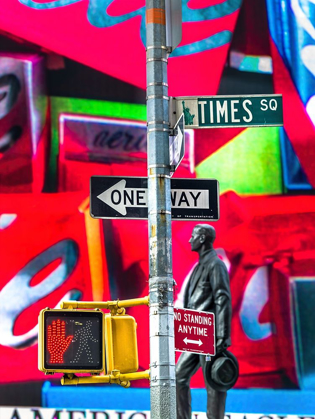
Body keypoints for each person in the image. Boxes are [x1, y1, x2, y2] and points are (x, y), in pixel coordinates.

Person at [176, 224, 232, 419]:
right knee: (178, 376)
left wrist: (222, 335)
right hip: (195, 334)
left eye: (193, 236)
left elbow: (222, 298)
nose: (190, 240)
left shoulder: (216, 264)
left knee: (213, 382)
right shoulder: (199, 266)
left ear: (202, 239)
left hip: (210, 337)